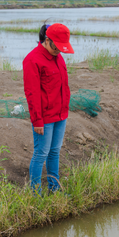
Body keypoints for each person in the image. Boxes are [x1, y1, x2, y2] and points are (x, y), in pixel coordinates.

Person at [22, 23, 74, 193]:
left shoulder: (58, 57)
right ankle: (35, 193)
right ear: (47, 40)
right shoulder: (32, 60)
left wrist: (65, 109)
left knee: (54, 152)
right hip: (44, 118)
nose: (59, 51)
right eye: (56, 47)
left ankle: (54, 188)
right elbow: (32, 94)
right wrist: (37, 120)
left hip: (60, 114)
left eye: (62, 48)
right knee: (41, 154)